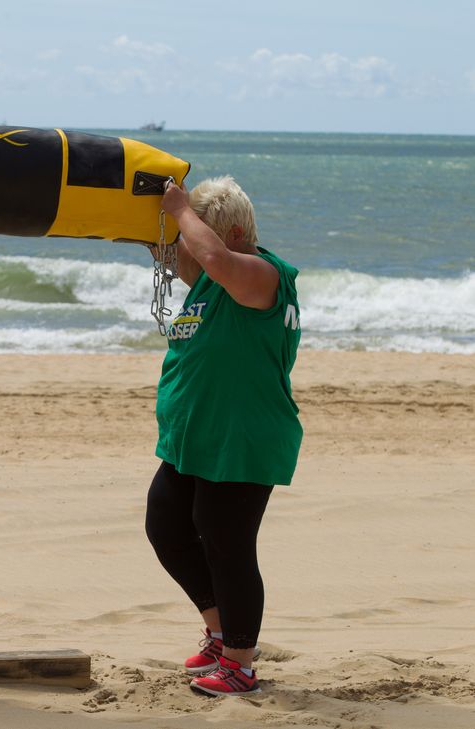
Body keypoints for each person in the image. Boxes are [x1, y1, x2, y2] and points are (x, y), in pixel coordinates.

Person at [145, 176, 301, 696]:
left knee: (227, 544)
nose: (191, 246)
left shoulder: (262, 276)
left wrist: (181, 210)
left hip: (244, 438)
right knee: (166, 524)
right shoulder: (215, 280)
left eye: (200, 233)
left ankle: (240, 662)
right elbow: (186, 258)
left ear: (233, 232)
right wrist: (156, 222)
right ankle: (218, 629)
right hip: (196, 437)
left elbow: (212, 259)